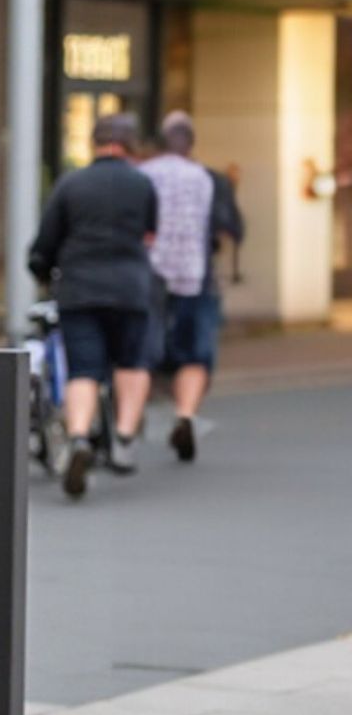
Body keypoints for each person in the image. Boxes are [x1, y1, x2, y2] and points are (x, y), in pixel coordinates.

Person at [27, 113, 158, 499]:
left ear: (94, 143)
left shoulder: (72, 183)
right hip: (131, 286)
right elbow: (151, 233)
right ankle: (124, 436)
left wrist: (42, 268)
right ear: (130, 145)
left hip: (80, 288)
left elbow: (46, 240)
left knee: (83, 368)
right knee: (132, 362)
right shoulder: (142, 183)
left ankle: (80, 436)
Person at [139, 111, 244, 463]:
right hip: (198, 279)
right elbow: (229, 227)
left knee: (143, 347)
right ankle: (185, 413)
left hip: (149, 277)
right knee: (195, 354)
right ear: (191, 143)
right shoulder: (210, 179)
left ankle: (132, 417)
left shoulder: (143, 175)